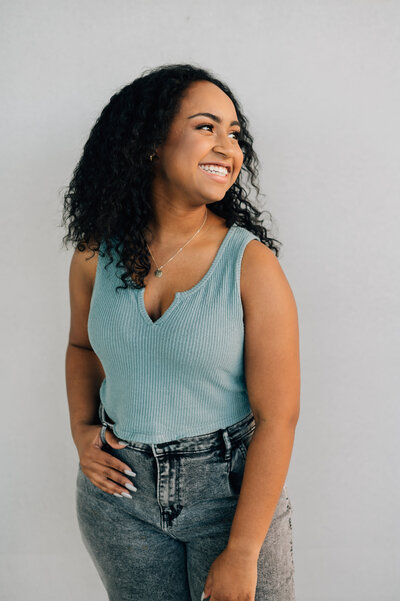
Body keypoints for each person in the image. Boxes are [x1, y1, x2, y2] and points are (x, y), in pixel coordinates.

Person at [62, 63, 300, 601]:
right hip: (119, 500)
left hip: (230, 500)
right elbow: (81, 347)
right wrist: (82, 432)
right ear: (150, 144)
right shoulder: (94, 255)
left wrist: (241, 553)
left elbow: (278, 418)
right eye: (206, 127)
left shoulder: (251, 265)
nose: (228, 147)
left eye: (234, 134)